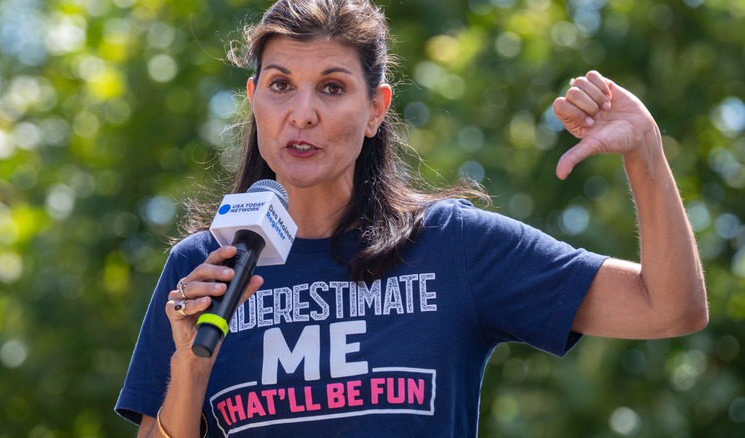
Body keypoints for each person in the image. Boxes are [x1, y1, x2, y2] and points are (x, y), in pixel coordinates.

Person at [115, 0, 708, 436]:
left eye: (331, 87)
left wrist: (645, 153)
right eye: (280, 85)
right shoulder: (202, 269)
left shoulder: (452, 245)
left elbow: (670, 306)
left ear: (376, 109)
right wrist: (189, 365)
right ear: (253, 101)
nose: (302, 114)